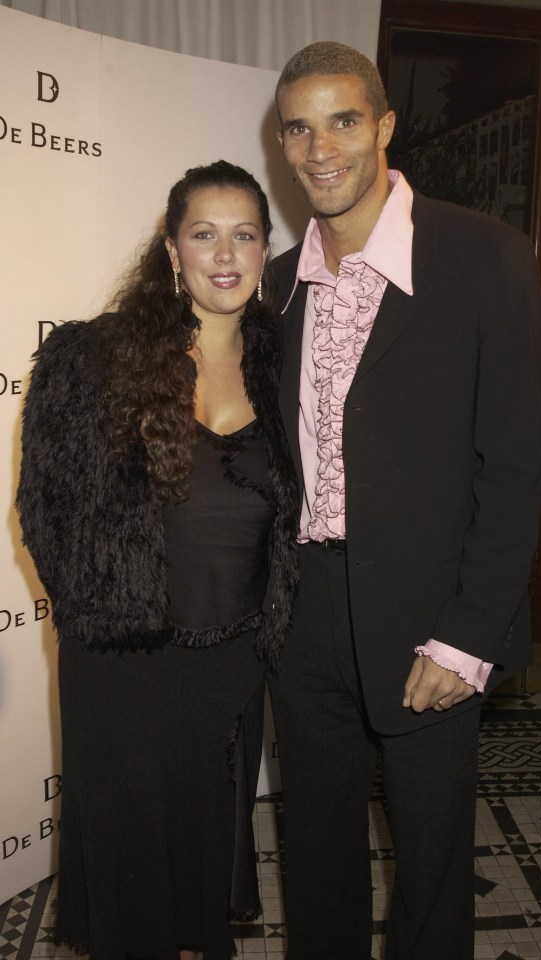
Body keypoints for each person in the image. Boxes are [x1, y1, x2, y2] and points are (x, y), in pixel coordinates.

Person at [268, 41, 541, 960]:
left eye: (343, 119)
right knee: (314, 852)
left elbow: (512, 469)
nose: (321, 148)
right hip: (305, 616)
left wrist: (468, 635)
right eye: (298, 128)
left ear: (384, 127)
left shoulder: (482, 257)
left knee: (430, 870)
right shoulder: (275, 284)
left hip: (432, 620)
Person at [16, 160, 298, 960]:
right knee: (132, 876)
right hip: (125, 661)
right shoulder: (92, 358)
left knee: (200, 864)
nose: (224, 253)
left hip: (232, 664)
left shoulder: (282, 366)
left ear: (263, 249)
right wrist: (100, 621)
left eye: (243, 234)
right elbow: (46, 506)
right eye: (203, 234)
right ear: (171, 250)